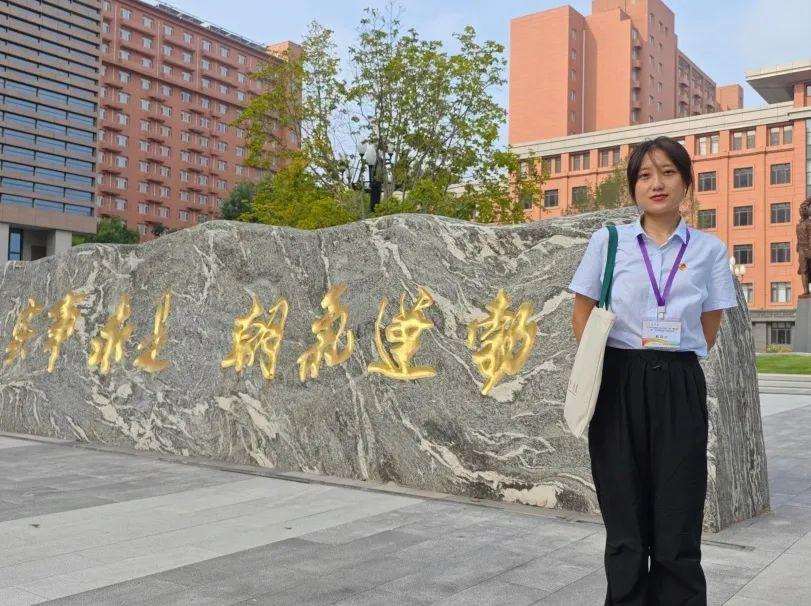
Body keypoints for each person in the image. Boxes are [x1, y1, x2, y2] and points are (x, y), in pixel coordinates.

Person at [568, 136, 737, 605]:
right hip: (618, 381)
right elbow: (581, 314)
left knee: (677, 516)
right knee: (624, 519)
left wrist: (669, 358)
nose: (656, 183)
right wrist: (603, 368)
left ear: (686, 182)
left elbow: (709, 325)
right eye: (644, 175)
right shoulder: (609, 242)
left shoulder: (708, 250)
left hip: (679, 383)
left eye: (667, 172)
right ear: (633, 187)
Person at [797, 198, 811, 298]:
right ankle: (806, 290)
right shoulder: (800, 223)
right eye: (800, 211)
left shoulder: (809, 223)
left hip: (808, 248)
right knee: (803, 270)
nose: (801, 212)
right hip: (801, 249)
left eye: (803, 210)